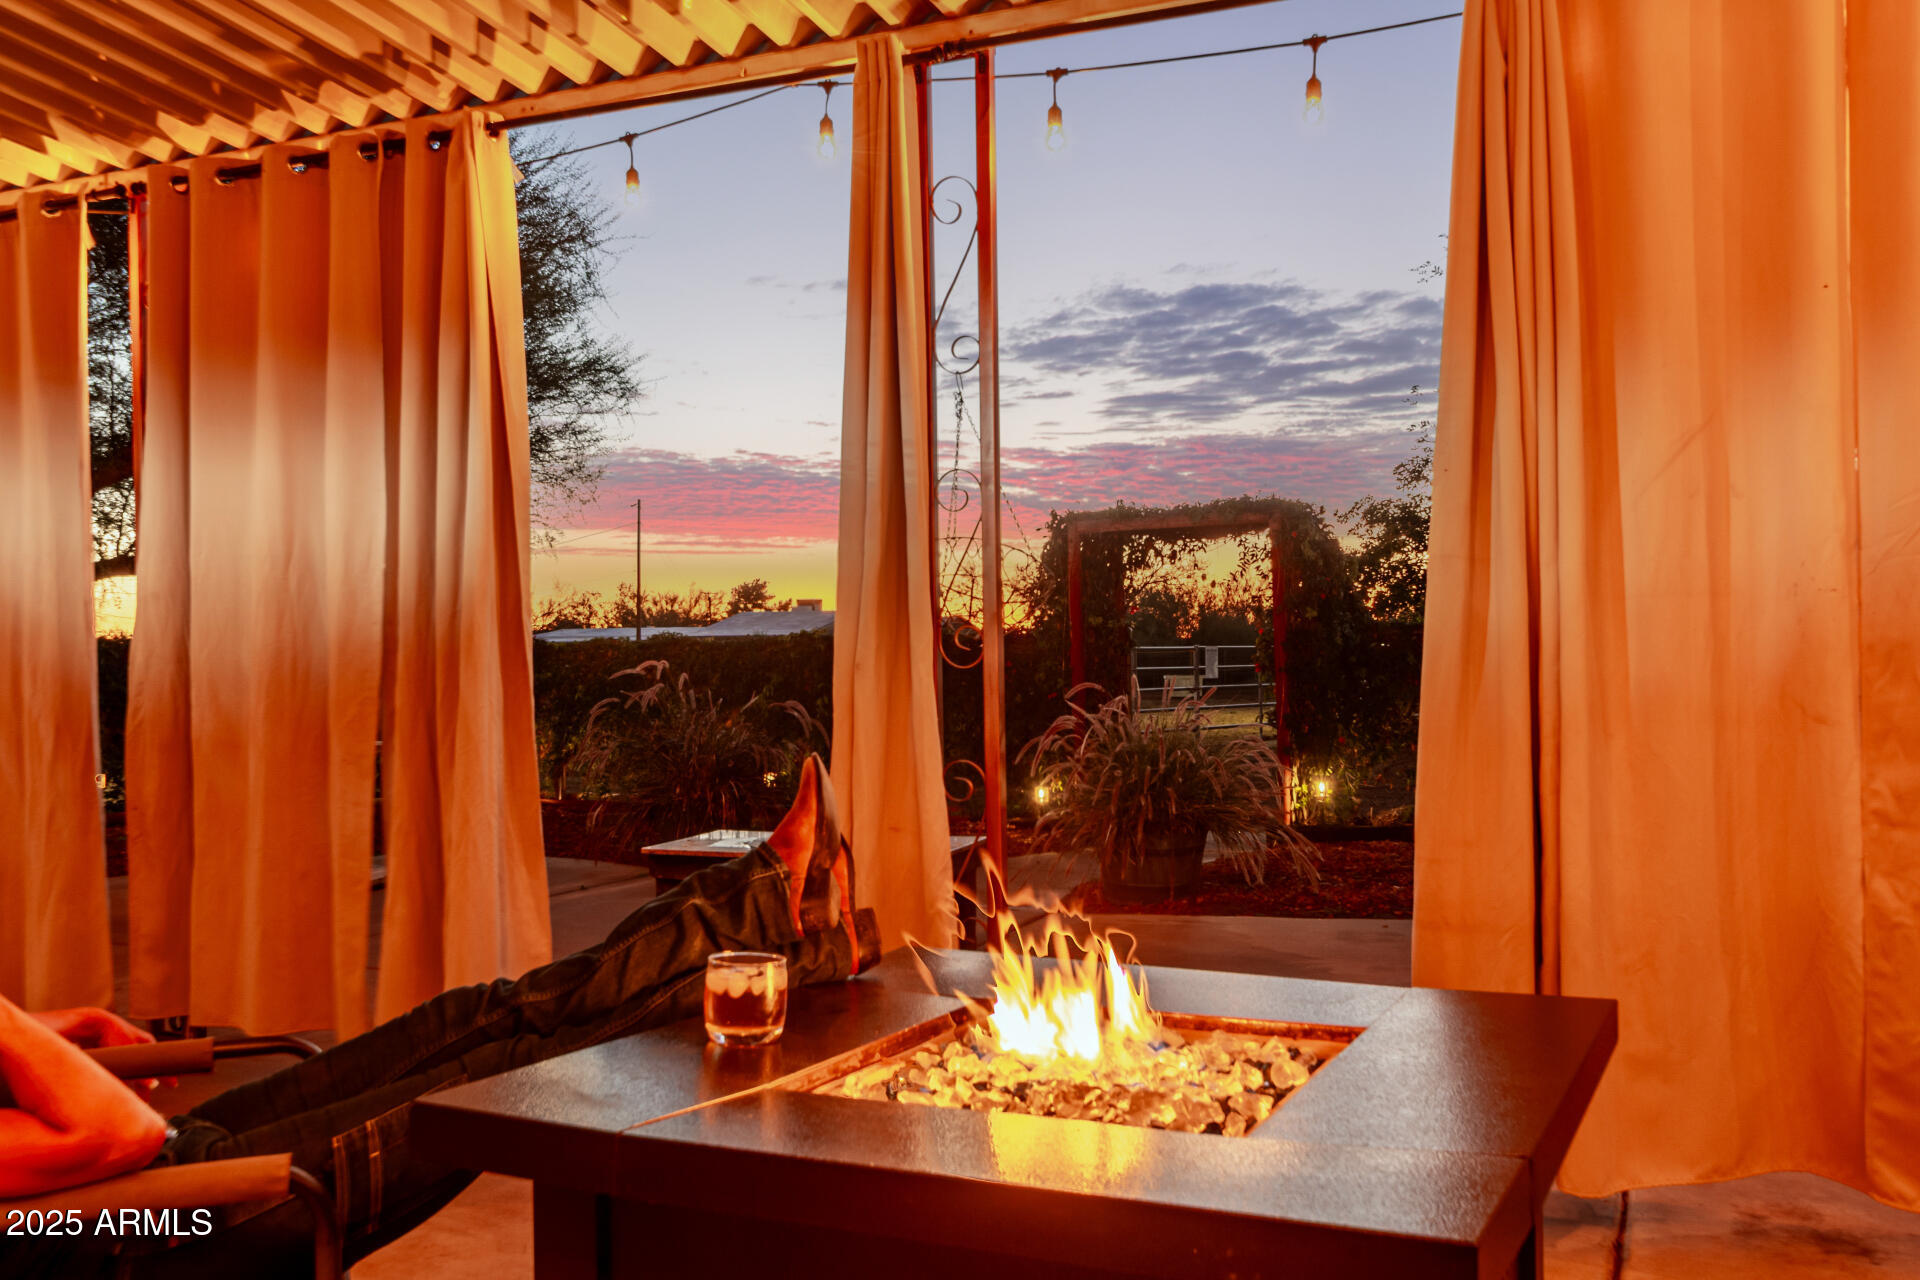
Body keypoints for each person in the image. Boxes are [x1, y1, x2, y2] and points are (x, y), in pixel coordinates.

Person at [1, 756, 876, 1277]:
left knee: (484, 1014)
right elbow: (109, 1139)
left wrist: (50, 1026)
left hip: (160, 1164)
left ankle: (768, 897)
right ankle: (794, 946)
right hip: (156, 1229)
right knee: (529, 1074)